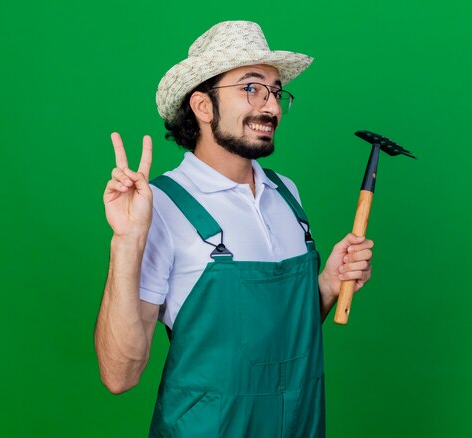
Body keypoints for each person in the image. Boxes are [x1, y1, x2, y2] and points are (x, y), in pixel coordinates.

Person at [94, 21, 373, 437]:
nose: (271, 107)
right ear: (203, 106)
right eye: (251, 88)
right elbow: (120, 375)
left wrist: (328, 287)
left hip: (299, 424)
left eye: (276, 91)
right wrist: (127, 241)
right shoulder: (163, 206)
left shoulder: (287, 194)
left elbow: (275, 343)